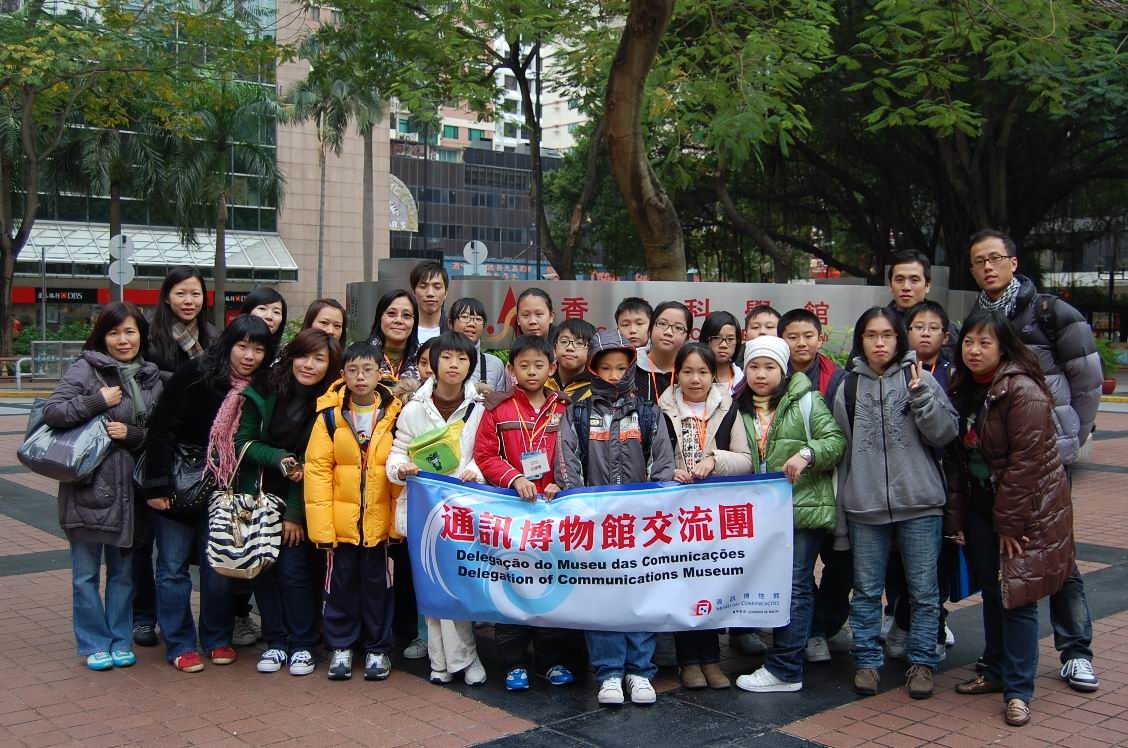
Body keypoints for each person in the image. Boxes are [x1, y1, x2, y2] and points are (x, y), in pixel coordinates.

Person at [967, 229, 1101, 692]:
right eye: (979, 261)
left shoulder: (1050, 312)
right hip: (999, 461)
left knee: (1058, 554)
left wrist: (1069, 439)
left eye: (995, 258)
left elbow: (1088, 382)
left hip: (1048, 456)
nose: (988, 267)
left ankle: (1076, 651)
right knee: (1010, 557)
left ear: (1013, 262)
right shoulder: (978, 318)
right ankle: (1001, 660)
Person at [945, 310, 1075, 727]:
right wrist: (958, 518)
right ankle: (996, 670)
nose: (974, 350)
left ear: (1003, 348)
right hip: (983, 509)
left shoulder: (1022, 389)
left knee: (1017, 596)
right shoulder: (963, 387)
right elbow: (957, 461)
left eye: (985, 342)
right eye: (968, 342)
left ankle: (1019, 691)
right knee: (991, 591)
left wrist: (1010, 524)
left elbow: (1026, 462)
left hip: (1026, 514)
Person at [832, 307, 957, 699]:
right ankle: (867, 661)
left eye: (887, 335)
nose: (880, 342)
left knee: (924, 592)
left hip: (919, 502)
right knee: (867, 591)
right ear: (861, 340)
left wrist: (921, 397)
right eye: (871, 335)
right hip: (865, 505)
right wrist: (841, 517)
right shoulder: (848, 386)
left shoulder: (919, 377)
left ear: (899, 338)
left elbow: (945, 434)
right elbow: (841, 453)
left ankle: (922, 662)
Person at [141, 315, 276, 672]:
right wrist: (156, 485)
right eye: (242, 346)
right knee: (172, 567)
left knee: (219, 565)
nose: (249, 356)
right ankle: (180, 643)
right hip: (180, 480)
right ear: (228, 344)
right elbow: (162, 428)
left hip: (226, 486)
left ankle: (216, 638)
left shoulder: (264, 386)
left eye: (258, 349)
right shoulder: (196, 373)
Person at [557, 331, 676, 706]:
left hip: (642, 526)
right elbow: (567, 464)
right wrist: (582, 509)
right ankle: (608, 673)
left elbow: (663, 464)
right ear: (593, 369)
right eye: (605, 367)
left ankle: (640, 671)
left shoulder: (648, 412)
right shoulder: (577, 412)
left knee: (641, 592)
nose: (613, 375)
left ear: (631, 368)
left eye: (621, 368)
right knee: (602, 596)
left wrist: (652, 508)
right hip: (596, 526)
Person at [45, 303, 163, 670]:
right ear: (103, 336)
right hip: (88, 489)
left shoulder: (151, 378)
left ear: (141, 335)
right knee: (85, 575)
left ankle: (119, 640)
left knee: (124, 574)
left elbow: (160, 436)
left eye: (129, 332)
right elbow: (53, 411)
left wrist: (132, 434)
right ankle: (94, 643)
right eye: (114, 332)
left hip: (130, 494)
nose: (122, 340)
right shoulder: (86, 368)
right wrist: (98, 399)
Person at [730, 336, 847, 693]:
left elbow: (835, 441)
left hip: (803, 509)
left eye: (770, 367)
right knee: (778, 585)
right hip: (761, 515)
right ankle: (787, 658)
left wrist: (808, 454)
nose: (761, 374)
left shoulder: (806, 400)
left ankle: (785, 669)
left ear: (783, 370)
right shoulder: (737, 407)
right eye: (754, 366)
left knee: (795, 585)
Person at [234, 329, 342, 677]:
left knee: (294, 572)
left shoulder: (330, 404)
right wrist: (278, 457)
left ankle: (302, 644)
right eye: (303, 355)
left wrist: (294, 515)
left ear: (330, 366)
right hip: (259, 496)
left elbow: (315, 462)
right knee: (263, 569)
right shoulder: (264, 387)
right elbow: (243, 442)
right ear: (291, 356)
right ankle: (275, 641)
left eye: (319, 359)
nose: (309, 365)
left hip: (302, 498)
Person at [473, 335, 578, 692]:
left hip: (552, 511)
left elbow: (574, 452)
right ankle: (513, 662)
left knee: (553, 586)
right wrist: (514, 478)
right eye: (523, 365)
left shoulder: (564, 408)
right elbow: (485, 455)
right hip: (513, 511)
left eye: (539, 365)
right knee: (512, 586)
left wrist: (561, 483)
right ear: (511, 369)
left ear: (552, 368)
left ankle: (550, 661)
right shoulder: (498, 409)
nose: (531, 372)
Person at [387, 332, 488, 687]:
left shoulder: (479, 408)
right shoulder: (414, 408)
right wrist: (400, 469)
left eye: (462, 359)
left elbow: (485, 452)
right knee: (432, 586)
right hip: (426, 509)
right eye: (446, 357)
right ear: (432, 363)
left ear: (470, 366)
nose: (454, 365)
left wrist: (476, 470)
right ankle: (446, 660)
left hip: (463, 509)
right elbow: (397, 451)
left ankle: (458, 659)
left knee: (459, 585)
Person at [304, 341, 405, 682]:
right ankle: (341, 647)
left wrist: (397, 524)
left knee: (380, 589)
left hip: (379, 526)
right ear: (343, 374)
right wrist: (323, 530)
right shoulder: (330, 418)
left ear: (380, 373)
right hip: (342, 527)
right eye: (353, 370)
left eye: (367, 370)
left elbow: (399, 470)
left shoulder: (394, 416)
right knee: (340, 588)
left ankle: (377, 649)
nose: (360, 377)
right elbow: (317, 472)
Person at [657, 343, 752, 690]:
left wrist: (715, 460)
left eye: (702, 372)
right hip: (675, 512)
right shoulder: (661, 409)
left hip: (713, 514)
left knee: (709, 582)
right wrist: (669, 472)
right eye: (687, 372)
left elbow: (746, 459)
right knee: (682, 583)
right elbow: (651, 458)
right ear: (676, 374)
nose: (695, 379)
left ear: (714, 375)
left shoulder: (728, 407)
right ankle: (689, 662)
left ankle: (711, 659)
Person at [133, 266, 217, 648]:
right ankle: (147, 619)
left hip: (200, 462)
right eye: (181, 293)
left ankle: (210, 634)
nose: (189, 300)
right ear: (167, 296)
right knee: (151, 549)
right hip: (153, 452)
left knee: (196, 558)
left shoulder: (213, 338)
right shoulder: (151, 338)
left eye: (195, 293)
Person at [882, 299, 958, 661]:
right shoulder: (890, 373)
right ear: (905, 333)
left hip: (944, 482)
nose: (925, 333)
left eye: (933, 328)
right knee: (898, 562)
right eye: (917, 327)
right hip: (901, 484)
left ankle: (933, 627)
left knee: (935, 565)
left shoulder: (956, 373)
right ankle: (901, 617)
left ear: (946, 335)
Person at [777, 308, 851, 664]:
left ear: (821, 338)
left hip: (834, 482)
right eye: (792, 336)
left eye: (808, 335)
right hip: (793, 490)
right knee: (799, 570)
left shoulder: (839, 379)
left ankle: (830, 622)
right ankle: (814, 630)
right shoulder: (771, 376)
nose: (801, 343)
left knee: (841, 563)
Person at [886, 250, 960, 359]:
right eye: (899, 280)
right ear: (890, 285)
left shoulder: (948, 329)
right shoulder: (877, 326)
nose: (906, 287)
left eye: (914, 280)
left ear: (927, 286)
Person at [637, 301, 692, 402]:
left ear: (687, 338)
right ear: (650, 329)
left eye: (678, 328)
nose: (668, 332)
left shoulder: (691, 371)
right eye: (662, 323)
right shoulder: (630, 366)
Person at [448, 297, 508, 390]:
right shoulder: (439, 358)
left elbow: (500, 398)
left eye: (478, 319)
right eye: (465, 317)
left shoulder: (495, 364)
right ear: (450, 323)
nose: (472, 324)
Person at [366, 289, 421, 383]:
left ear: (414, 322)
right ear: (380, 317)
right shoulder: (361, 355)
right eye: (391, 314)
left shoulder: (424, 359)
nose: (398, 320)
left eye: (406, 315)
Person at [549, 318, 596, 402]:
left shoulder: (596, 390)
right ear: (554, 348)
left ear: (590, 351)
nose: (570, 347)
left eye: (579, 343)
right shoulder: (541, 381)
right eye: (564, 341)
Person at [700, 312, 744, 394]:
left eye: (730, 339)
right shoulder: (695, 380)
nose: (723, 345)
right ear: (705, 340)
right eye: (716, 338)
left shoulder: (743, 381)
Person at [411, 260, 449, 344]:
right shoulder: (404, 330)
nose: (430, 293)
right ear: (413, 292)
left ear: (446, 293)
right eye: (423, 286)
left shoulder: (454, 331)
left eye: (437, 287)